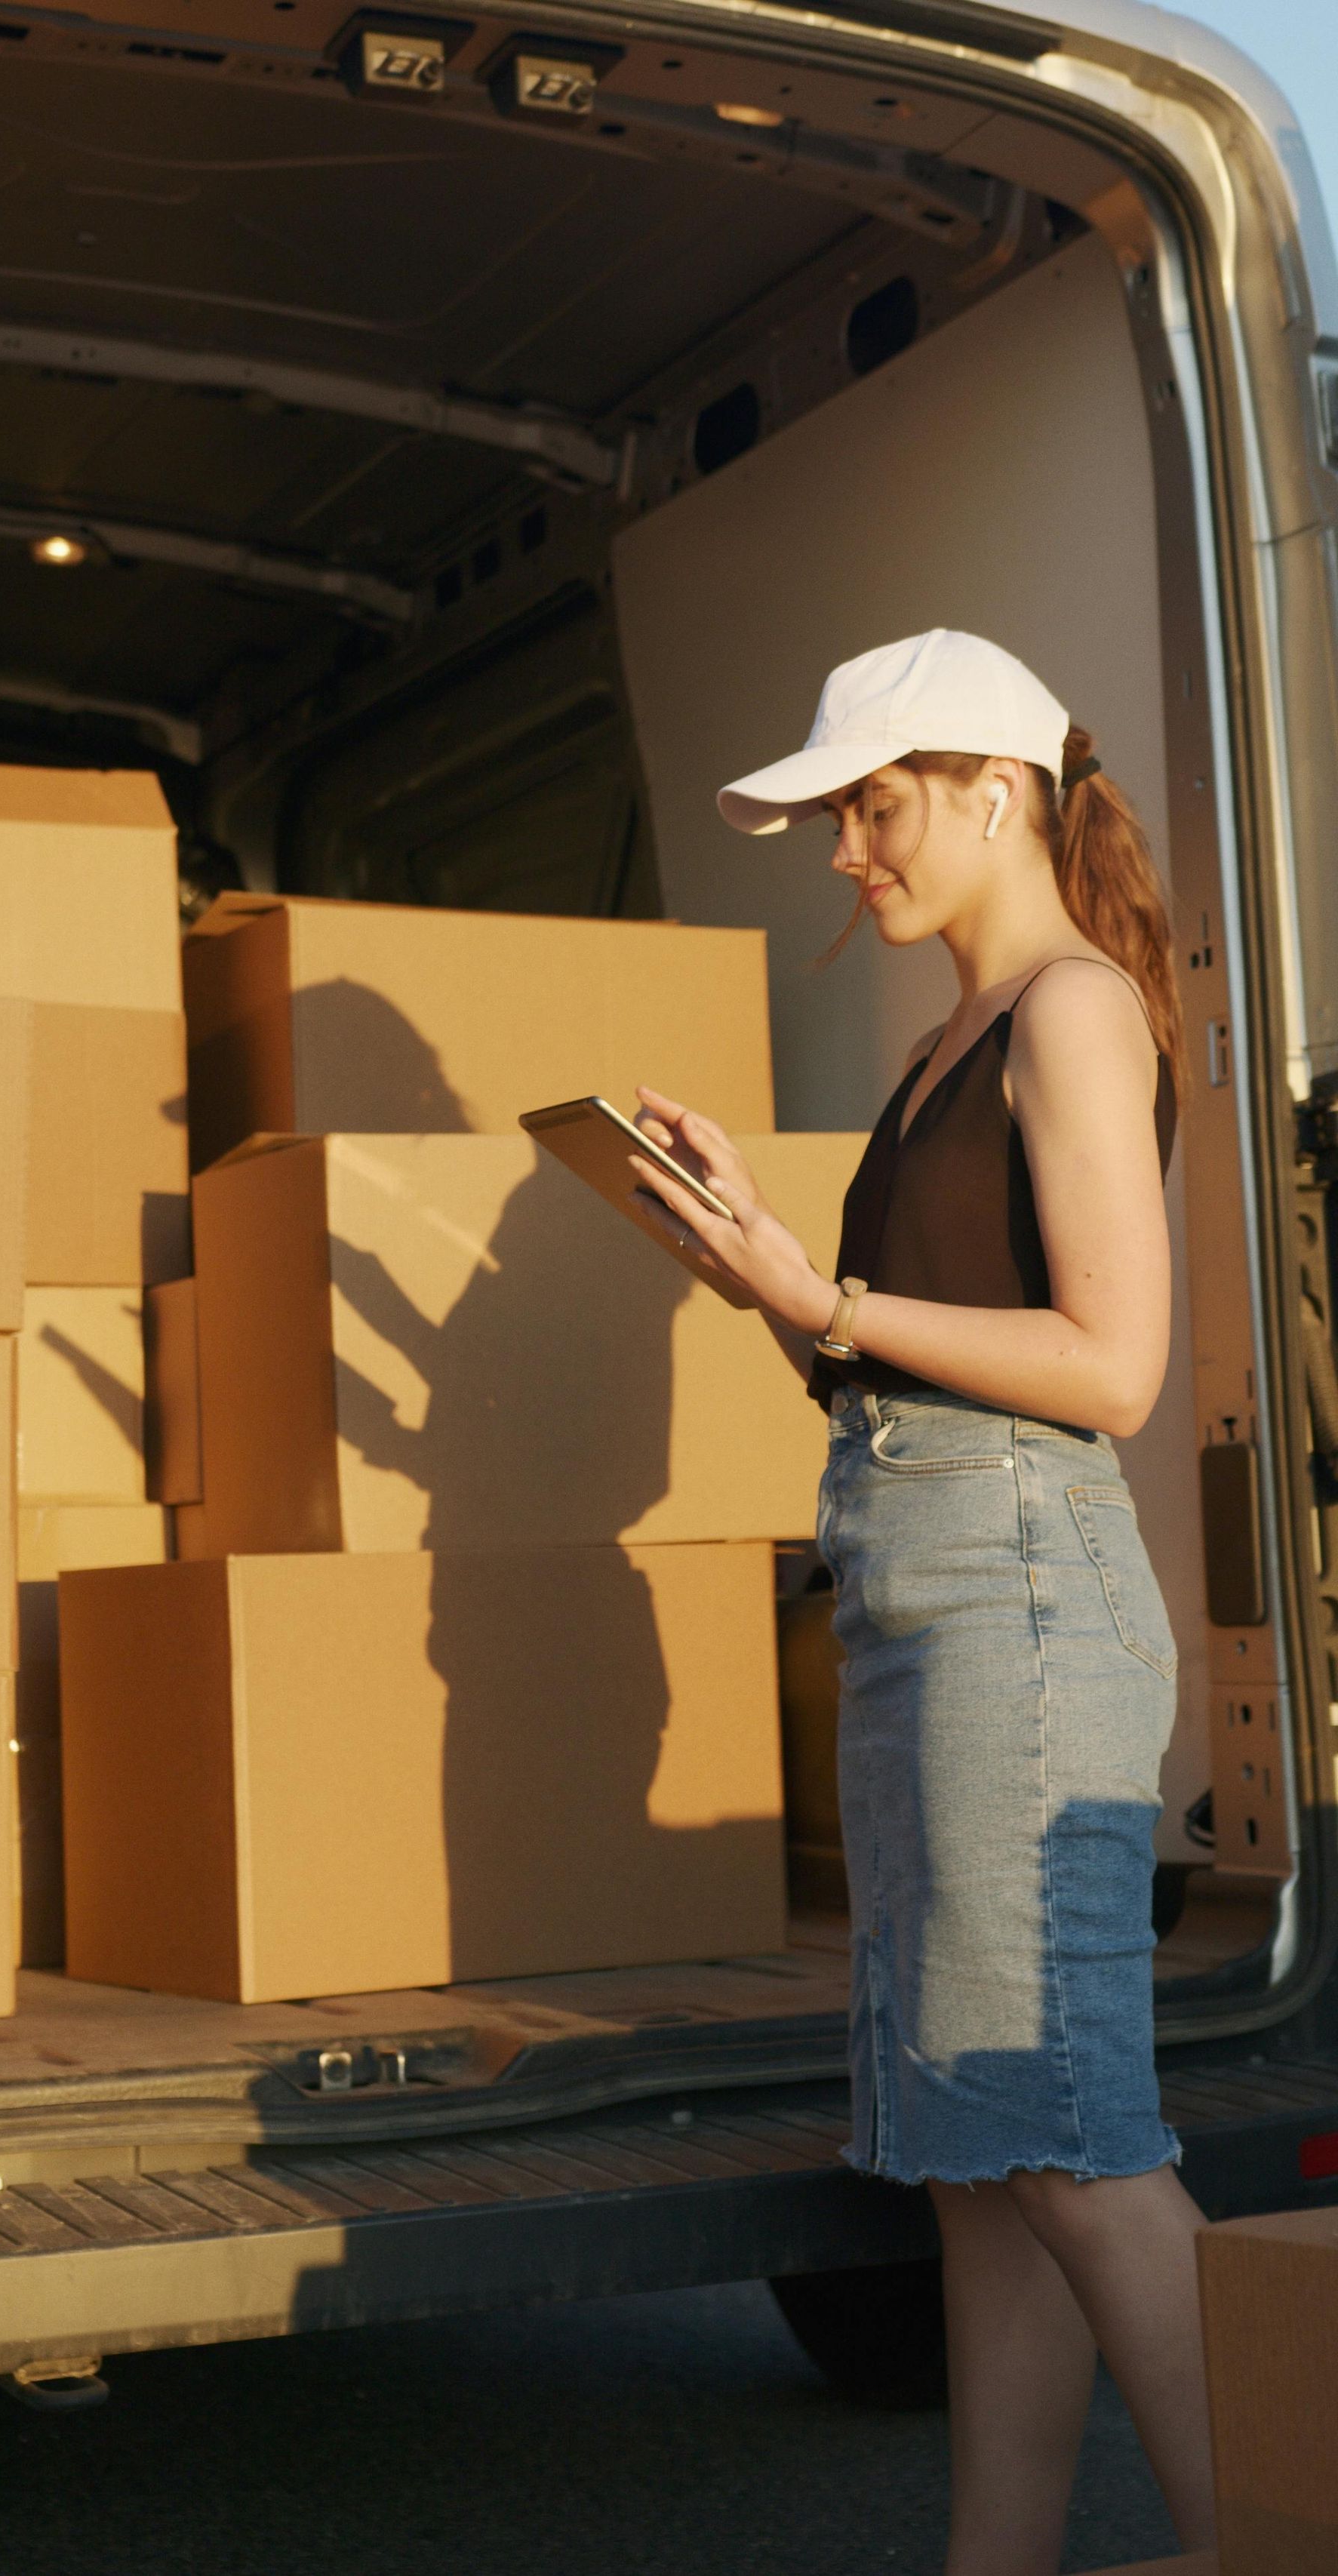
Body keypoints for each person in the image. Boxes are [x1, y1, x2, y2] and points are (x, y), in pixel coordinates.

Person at [629, 629, 1216, 2576]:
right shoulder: (945, 1043)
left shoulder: (1070, 1011)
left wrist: (826, 1300)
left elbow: (1116, 1369)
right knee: (982, 2156)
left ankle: (1291, 2525)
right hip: (930, 1594)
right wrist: (767, 1274)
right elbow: (917, 1359)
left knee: (1060, 2137)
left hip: (1019, 1606)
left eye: (871, 805)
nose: (845, 849)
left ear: (994, 791)